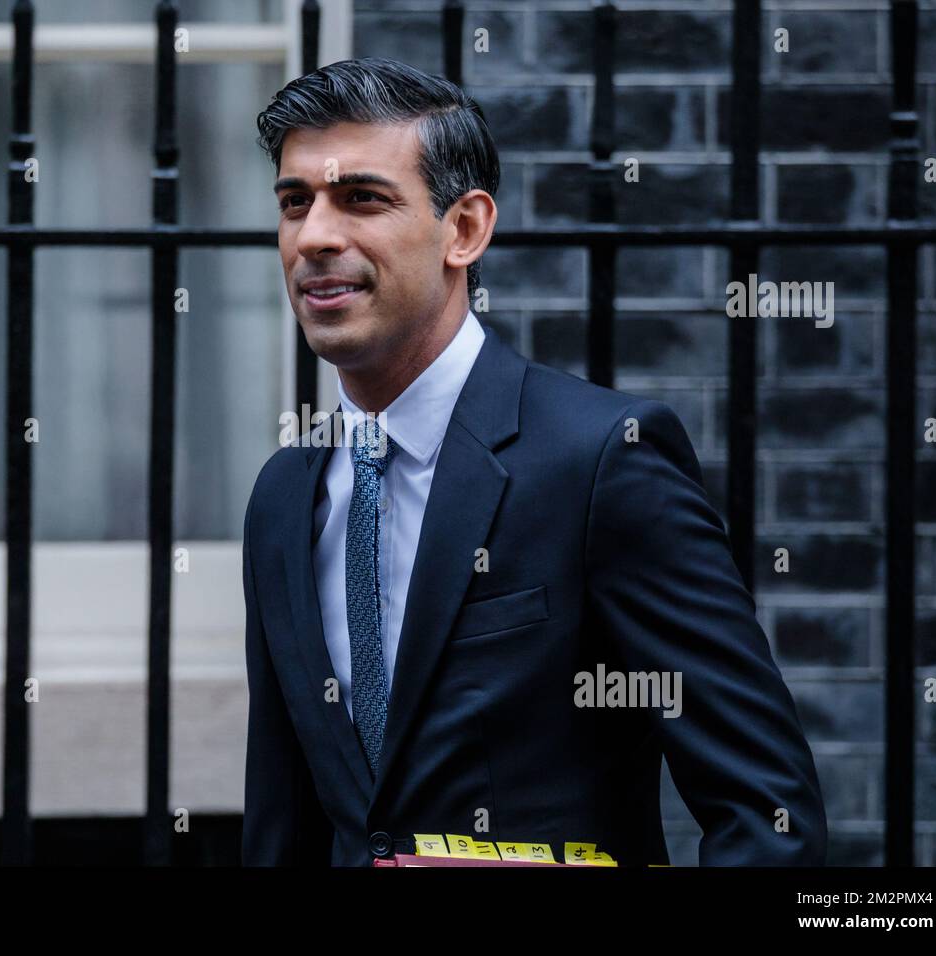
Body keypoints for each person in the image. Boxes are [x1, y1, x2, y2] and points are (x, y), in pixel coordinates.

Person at [241, 57, 826, 867]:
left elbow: (768, 814)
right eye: (294, 202)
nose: (315, 236)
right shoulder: (283, 494)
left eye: (362, 199)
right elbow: (284, 822)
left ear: (466, 229)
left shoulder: (602, 461)